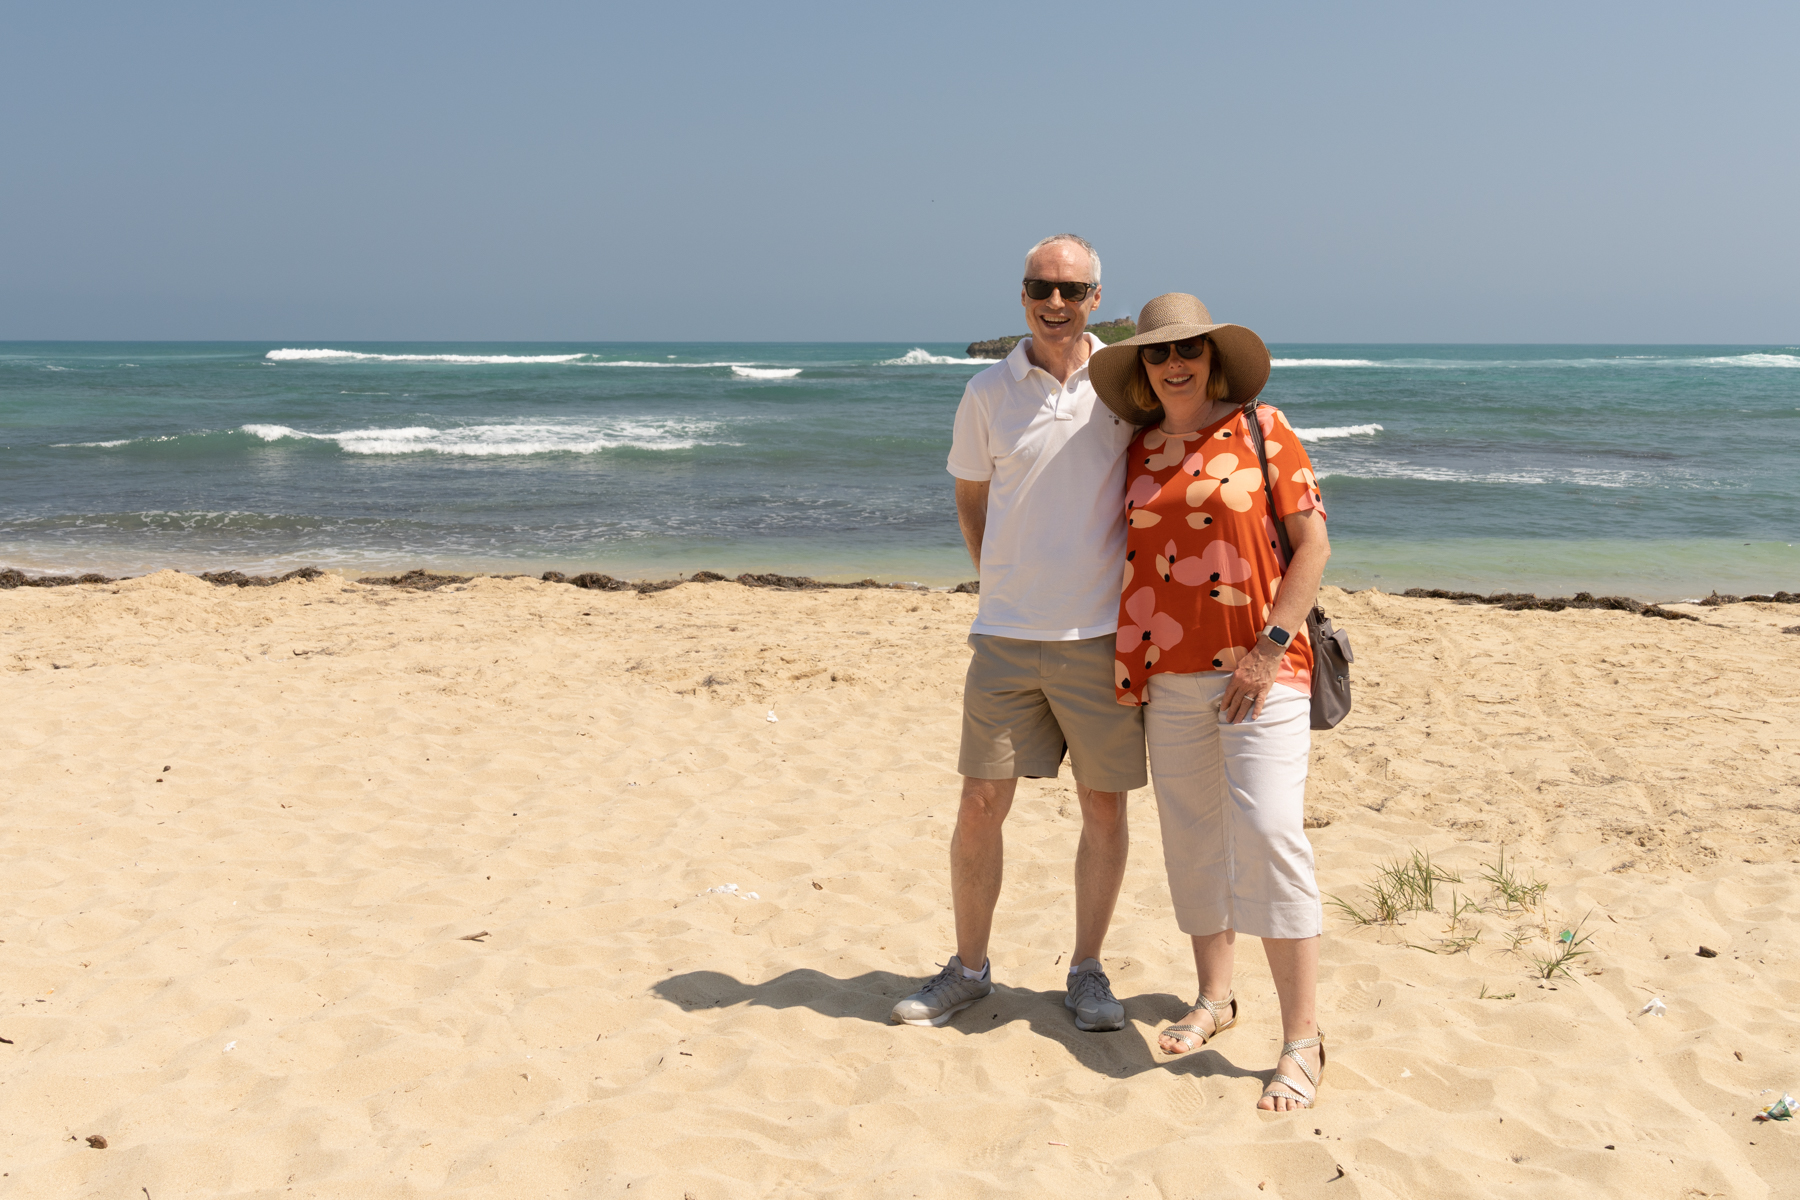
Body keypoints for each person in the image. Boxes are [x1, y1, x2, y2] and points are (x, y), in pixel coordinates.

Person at [889, 234, 1147, 1032]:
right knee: (978, 804)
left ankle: (1087, 971)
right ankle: (969, 970)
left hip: (1101, 636)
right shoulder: (986, 391)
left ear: (1097, 297)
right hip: (1005, 636)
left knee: (1102, 809)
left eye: (1072, 289)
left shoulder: (1124, 387)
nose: (1056, 302)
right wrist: (996, 576)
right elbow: (974, 497)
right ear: (1024, 293)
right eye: (1042, 286)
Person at [1087, 293, 1332, 1110]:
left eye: (1187, 348)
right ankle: (1215, 997)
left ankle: (1302, 1039)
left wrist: (1269, 649)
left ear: (1213, 356)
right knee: (1191, 838)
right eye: (1156, 354)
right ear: (1143, 370)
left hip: (1260, 671)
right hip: (1168, 676)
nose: (1173, 363)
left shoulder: (1264, 429)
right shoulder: (1139, 449)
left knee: (1269, 833)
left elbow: (1314, 546)